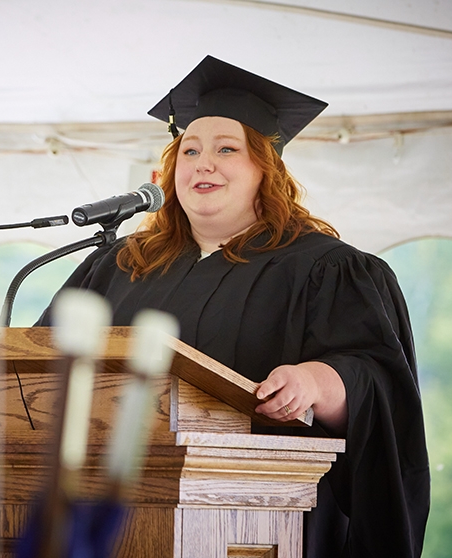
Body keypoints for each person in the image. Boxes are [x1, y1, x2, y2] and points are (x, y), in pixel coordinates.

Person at [37, 55, 430, 557]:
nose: (204, 163)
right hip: (105, 519)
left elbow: (379, 386)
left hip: (258, 522)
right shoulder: (119, 265)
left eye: (227, 149)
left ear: (265, 170)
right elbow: (41, 371)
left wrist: (314, 383)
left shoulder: (326, 269)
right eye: (191, 150)